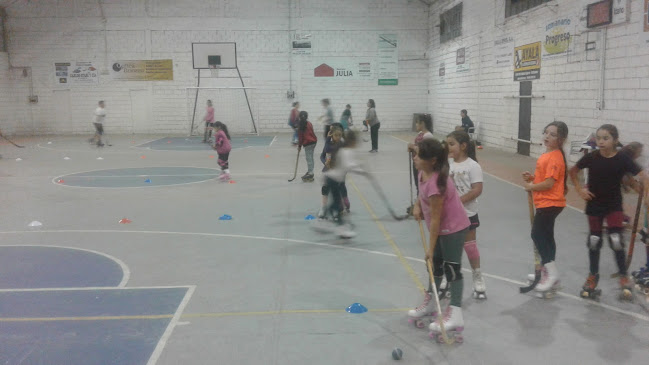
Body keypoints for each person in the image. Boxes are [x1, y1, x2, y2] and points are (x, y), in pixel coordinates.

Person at [569, 124, 649, 299]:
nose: (601, 141)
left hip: (613, 205)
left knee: (616, 240)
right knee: (594, 240)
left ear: (615, 140)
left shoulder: (622, 159)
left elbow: (644, 175)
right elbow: (573, 171)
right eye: (598, 138)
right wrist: (580, 190)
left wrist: (646, 196)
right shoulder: (592, 157)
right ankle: (592, 276)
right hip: (594, 205)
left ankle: (623, 277)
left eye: (605, 138)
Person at [408, 138, 470, 337]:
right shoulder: (422, 173)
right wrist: (417, 205)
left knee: (452, 268)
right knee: (435, 266)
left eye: (418, 155)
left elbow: (436, 219)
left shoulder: (437, 183)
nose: (414, 157)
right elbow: (421, 195)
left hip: (453, 228)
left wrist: (431, 248)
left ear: (432, 160)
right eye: (415, 153)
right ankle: (431, 303)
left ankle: (456, 312)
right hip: (441, 228)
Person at [522, 121, 569, 294]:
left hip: (550, 203)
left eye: (553, 134)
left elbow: (549, 183)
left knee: (537, 234)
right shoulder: (547, 155)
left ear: (561, 140)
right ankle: (547, 272)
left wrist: (531, 187)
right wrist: (534, 178)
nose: (547, 136)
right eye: (546, 132)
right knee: (547, 237)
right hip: (547, 202)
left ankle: (552, 273)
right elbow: (545, 177)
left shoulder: (555, 157)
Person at [447, 130, 486, 299]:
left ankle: (478, 277)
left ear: (463, 146)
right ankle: (449, 279)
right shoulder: (447, 165)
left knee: (470, 247)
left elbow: (477, 189)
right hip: (450, 215)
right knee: (450, 250)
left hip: (468, 214)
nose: (448, 147)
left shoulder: (473, 166)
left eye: (451, 144)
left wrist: (458, 201)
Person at [321, 129, 362, 238]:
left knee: (337, 204)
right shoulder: (346, 151)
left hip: (333, 179)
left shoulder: (345, 149)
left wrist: (359, 166)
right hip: (332, 179)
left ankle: (328, 220)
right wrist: (362, 171)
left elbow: (351, 164)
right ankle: (335, 224)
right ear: (353, 141)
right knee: (337, 204)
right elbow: (348, 165)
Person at [318, 125, 346, 218]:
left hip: (338, 171)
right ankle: (323, 207)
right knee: (325, 189)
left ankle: (336, 208)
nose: (338, 137)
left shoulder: (341, 145)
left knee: (337, 190)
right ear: (332, 136)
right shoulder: (329, 144)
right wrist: (325, 162)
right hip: (328, 170)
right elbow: (322, 155)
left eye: (340, 135)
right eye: (336, 135)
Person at [296, 110, 317, 182]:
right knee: (311, 157)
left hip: (308, 143)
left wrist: (299, 146)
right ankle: (310, 171)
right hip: (314, 142)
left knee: (309, 158)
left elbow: (300, 137)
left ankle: (310, 172)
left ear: (299, 117)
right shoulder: (309, 123)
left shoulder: (300, 125)